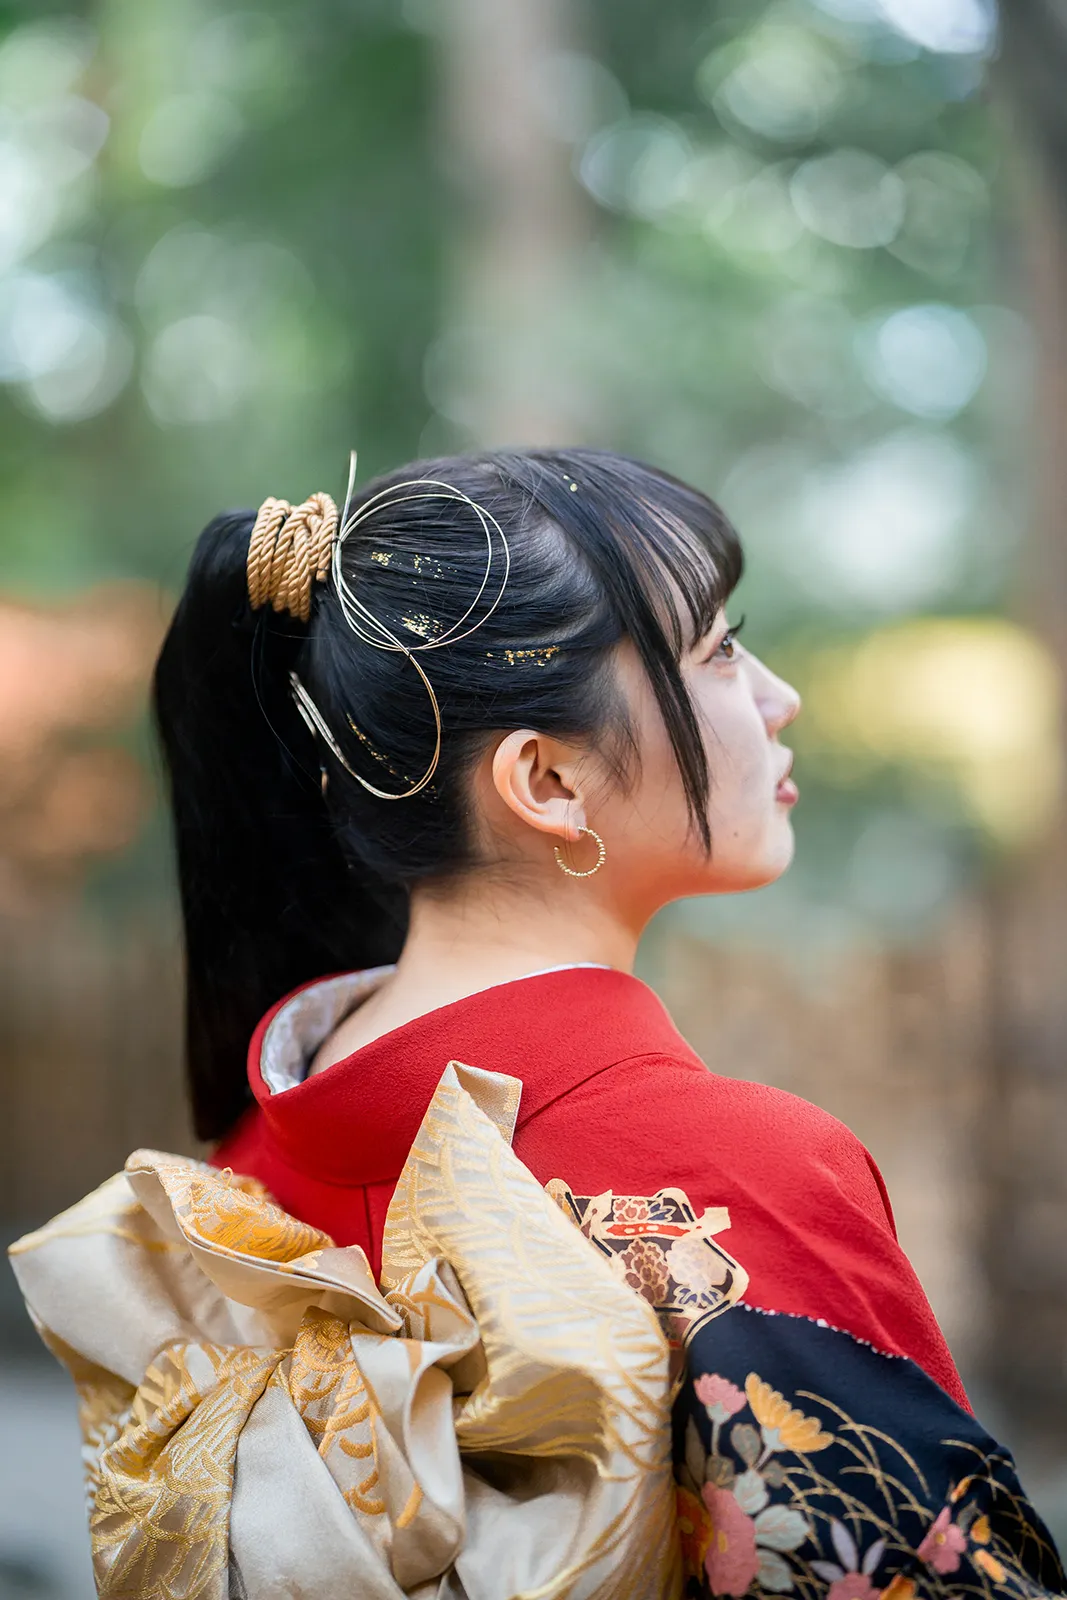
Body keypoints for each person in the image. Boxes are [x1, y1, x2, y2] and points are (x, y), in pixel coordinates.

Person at [11, 448, 1064, 1600]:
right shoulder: (738, 1179)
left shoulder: (233, 1193)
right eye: (717, 653)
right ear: (548, 782)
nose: (776, 695)